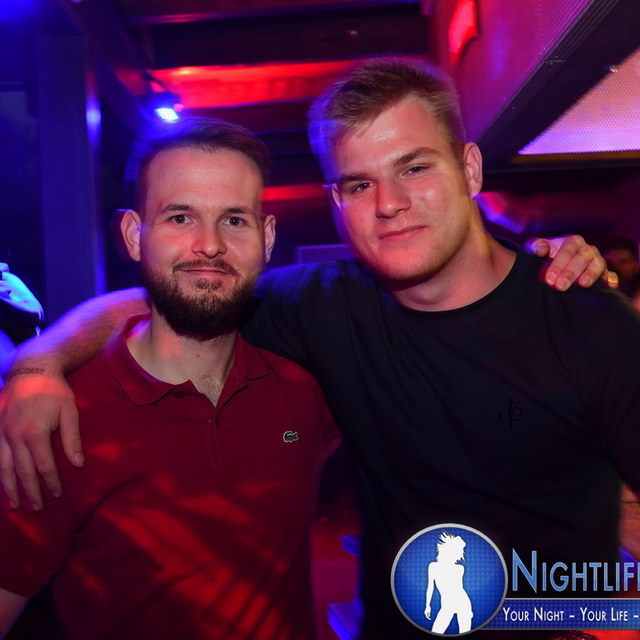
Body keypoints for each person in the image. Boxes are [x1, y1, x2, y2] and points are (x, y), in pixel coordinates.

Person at [0, 59, 632, 640]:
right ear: (335, 200)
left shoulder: (584, 319)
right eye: (358, 184)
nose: (389, 204)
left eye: (414, 167)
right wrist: (36, 365)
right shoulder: (322, 308)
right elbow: (178, 293)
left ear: (469, 168)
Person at [0, 118, 338, 640]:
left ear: (267, 237)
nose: (210, 245)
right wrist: (34, 366)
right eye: (180, 217)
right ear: (134, 236)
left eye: (234, 219)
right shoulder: (55, 422)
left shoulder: (302, 391)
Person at [424, 532, 472, 634]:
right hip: (447, 605)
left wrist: (468, 610)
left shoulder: (460, 568)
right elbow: (430, 587)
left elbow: (459, 588)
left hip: (463, 603)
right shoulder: (433, 566)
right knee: (436, 631)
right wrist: (427, 605)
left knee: (465, 632)